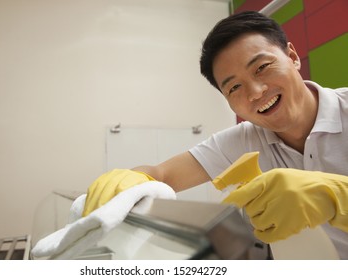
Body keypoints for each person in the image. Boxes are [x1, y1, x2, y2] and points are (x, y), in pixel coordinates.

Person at [82, 11, 348, 259]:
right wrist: (131, 179)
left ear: (292, 57)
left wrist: (337, 195)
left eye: (262, 67)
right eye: (234, 87)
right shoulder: (244, 140)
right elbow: (161, 175)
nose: (255, 92)